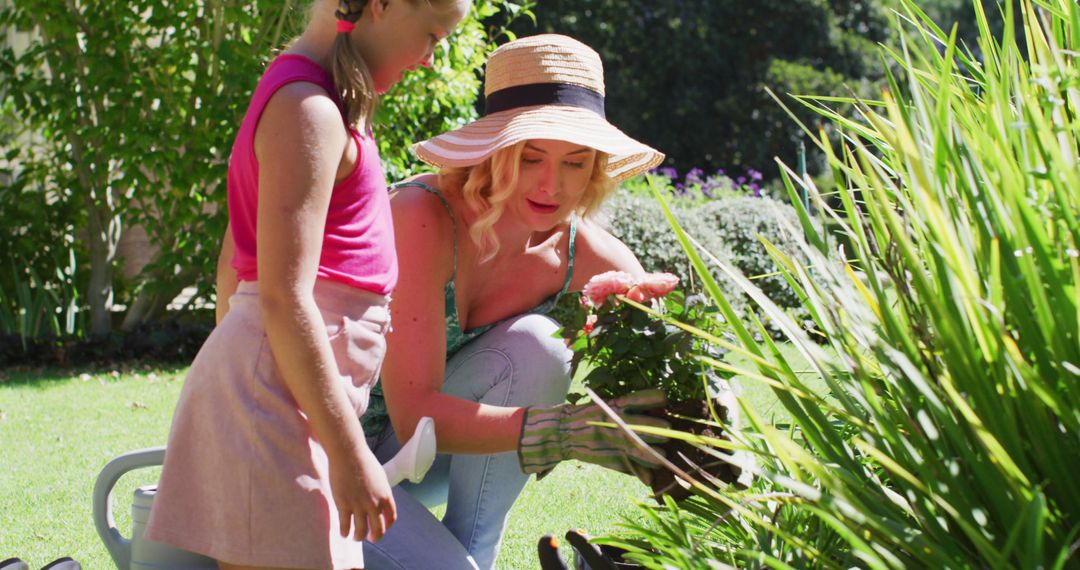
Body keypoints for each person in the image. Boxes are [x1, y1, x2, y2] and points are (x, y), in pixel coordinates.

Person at [144, 1, 470, 568]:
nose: (428, 58)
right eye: (432, 34)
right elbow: (281, 293)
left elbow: (233, 258)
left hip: (284, 395)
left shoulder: (323, 100)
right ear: (381, 6)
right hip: (276, 398)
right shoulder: (308, 108)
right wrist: (347, 453)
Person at [360, 34, 670, 570]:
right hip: (329, 463)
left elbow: (668, 372)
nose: (552, 185)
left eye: (575, 163)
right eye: (531, 158)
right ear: (495, 150)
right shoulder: (420, 217)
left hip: (417, 465)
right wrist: (567, 432)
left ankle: (474, 550)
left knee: (538, 345)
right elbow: (414, 419)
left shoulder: (582, 253)